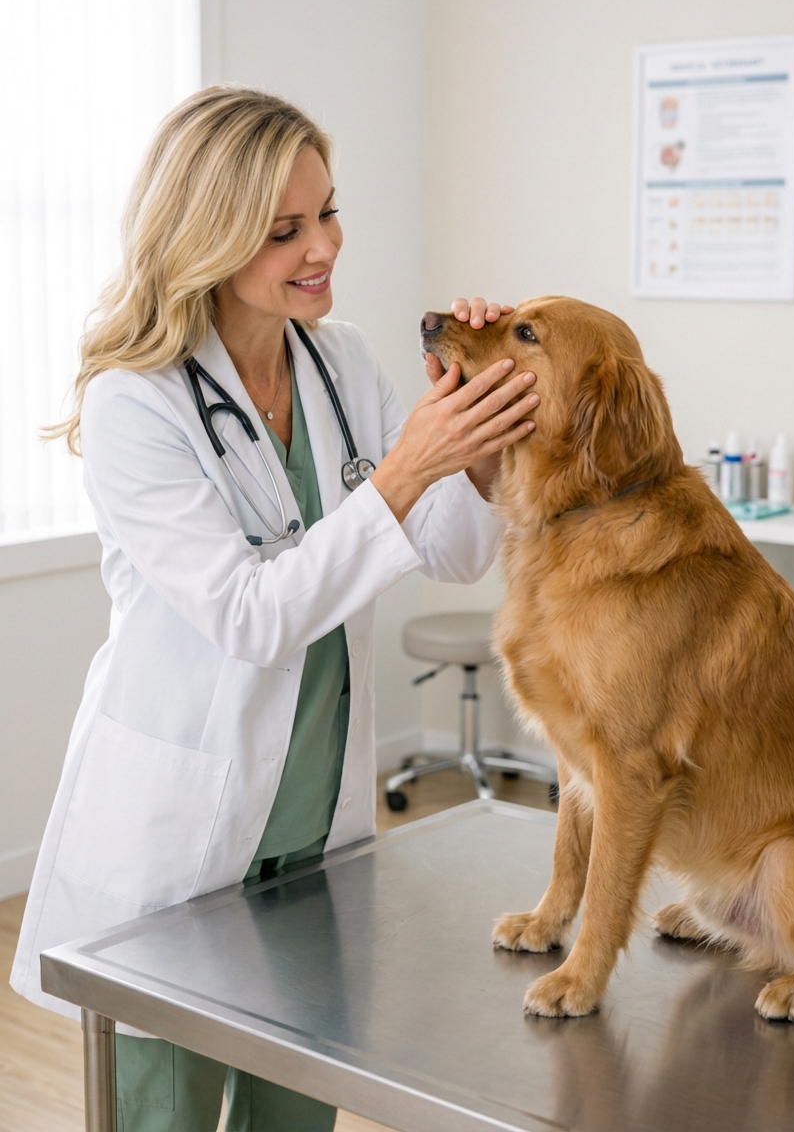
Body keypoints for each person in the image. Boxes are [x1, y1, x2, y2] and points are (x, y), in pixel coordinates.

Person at [11, 87, 539, 1131]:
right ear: (206, 234)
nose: (323, 247)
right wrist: (401, 471)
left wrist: (475, 441)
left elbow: (447, 550)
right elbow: (249, 616)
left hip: (316, 837)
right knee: (164, 1112)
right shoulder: (137, 399)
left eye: (328, 212)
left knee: (294, 1114)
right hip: (178, 850)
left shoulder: (337, 359)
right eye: (282, 229)